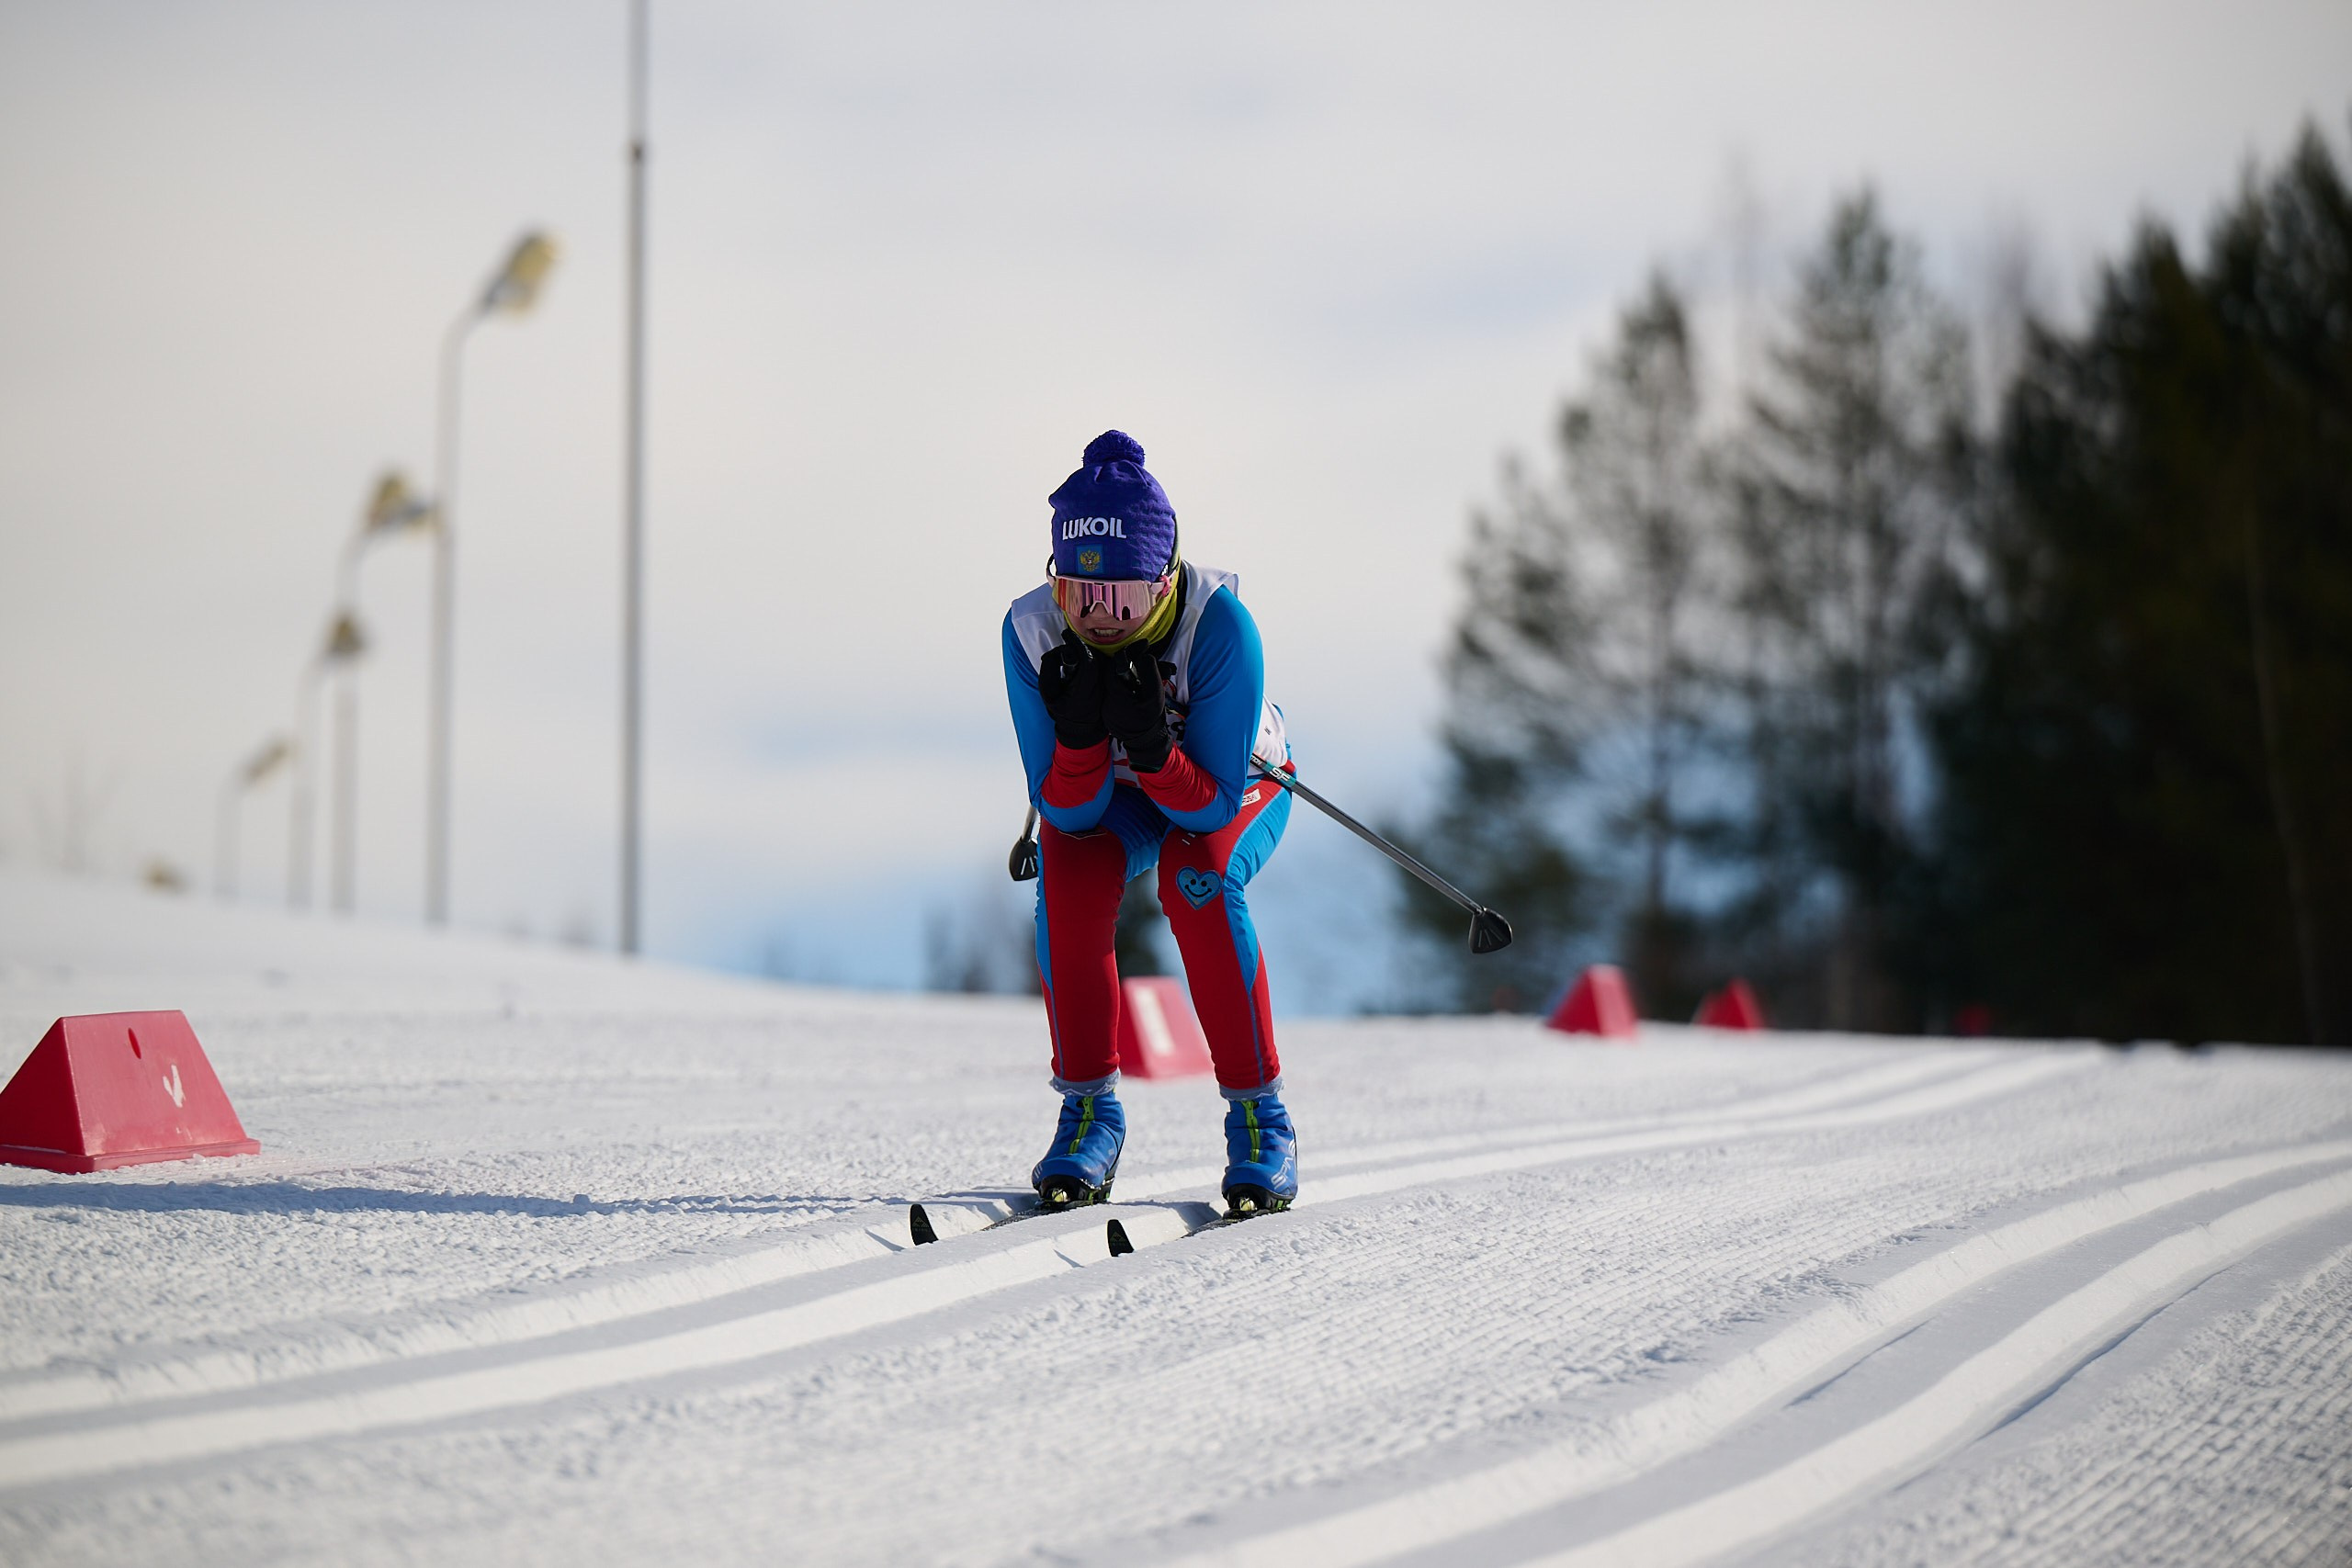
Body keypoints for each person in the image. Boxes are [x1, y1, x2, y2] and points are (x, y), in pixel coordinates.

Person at [1001, 430, 1299, 1216]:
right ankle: (1090, 1111)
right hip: (1118, 789)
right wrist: (1078, 739)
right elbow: (1066, 810)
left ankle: (1260, 1120)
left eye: (1124, 599)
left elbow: (1208, 806)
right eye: (1080, 595)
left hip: (1230, 784)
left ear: (1166, 583)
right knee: (1069, 873)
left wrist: (1155, 747)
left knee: (1196, 878)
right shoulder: (1031, 631)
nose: (1100, 619)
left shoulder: (1220, 627)